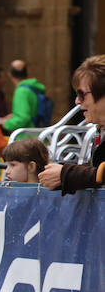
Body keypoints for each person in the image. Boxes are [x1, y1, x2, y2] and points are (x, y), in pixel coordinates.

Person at [39, 55, 105, 193]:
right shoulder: (100, 130)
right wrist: (60, 175)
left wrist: (66, 174)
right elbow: (96, 173)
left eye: (82, 94)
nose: (77, 101)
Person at [0, 60, 47, 134]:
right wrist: (14, 115)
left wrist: (6, 123)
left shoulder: (22, 91)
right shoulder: (32, 87)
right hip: (38, 133)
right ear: (27, 73)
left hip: (27, 137)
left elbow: (23, 118)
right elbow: (32, 111)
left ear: (9, 74)